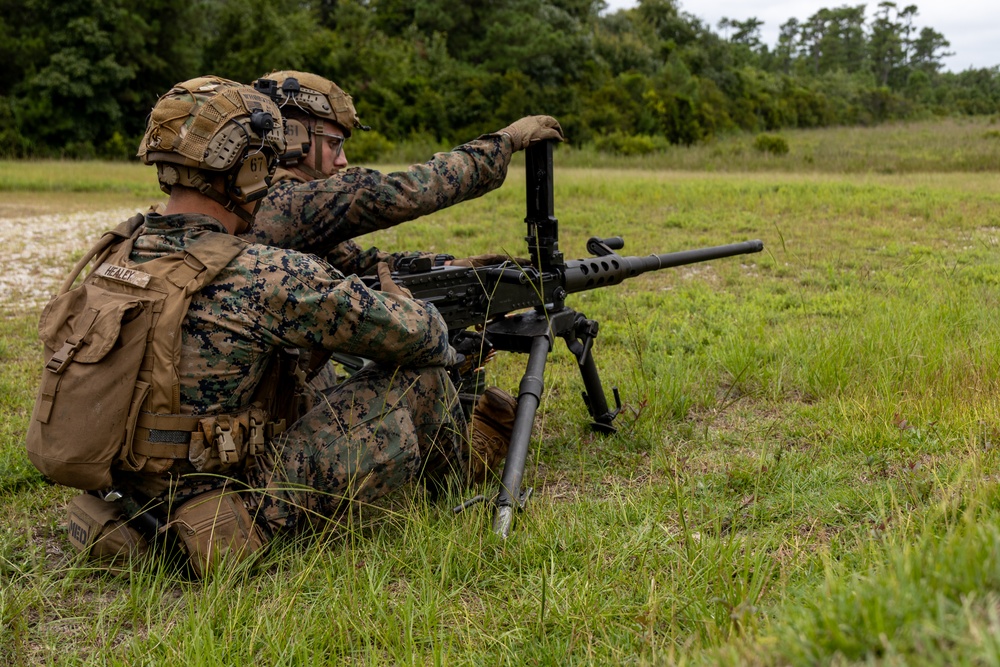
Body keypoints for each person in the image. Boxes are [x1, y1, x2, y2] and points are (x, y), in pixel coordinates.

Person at [38, 76, 520, 577]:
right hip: (231, 510)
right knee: (424, 378)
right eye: (266, 163)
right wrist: (415, 310)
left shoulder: (118, 250)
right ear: (247, 170)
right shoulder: (263, 271)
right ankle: (464, 465)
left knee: (306, 376)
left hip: (134, 495)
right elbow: (424, 337)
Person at [242, 70, 564, 275]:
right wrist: (505, 142)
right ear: (293, 136)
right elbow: (410, 191)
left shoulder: (257, 196)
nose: (342, 161)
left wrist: (449, 267)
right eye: (335, 144)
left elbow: (354, 265)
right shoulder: (288, 203)